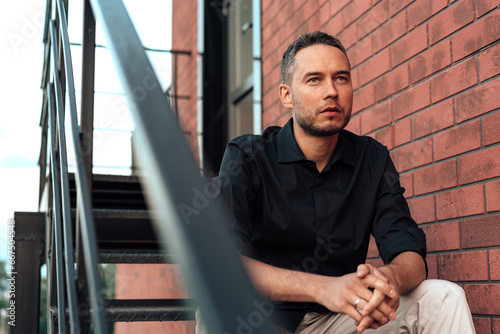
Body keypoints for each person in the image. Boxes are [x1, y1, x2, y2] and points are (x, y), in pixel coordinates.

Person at [198, 31, 476, 334]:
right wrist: (324, 288)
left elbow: (409, 253)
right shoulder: (248, 157)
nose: (331, 91)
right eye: (314, 80)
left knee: (445, 297)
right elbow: (224, 264)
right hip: (257, 318)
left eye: (341, 78)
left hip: (343, 319)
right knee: (213, 314)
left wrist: (388, 279)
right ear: (286, 95)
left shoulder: (372, 158)